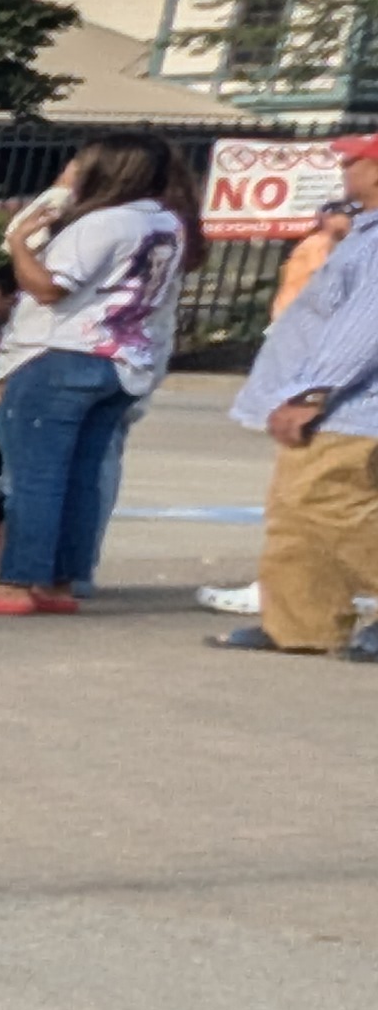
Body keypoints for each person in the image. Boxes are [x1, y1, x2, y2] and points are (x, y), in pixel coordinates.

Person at [0, 136, 190, 615]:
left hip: (62, 356)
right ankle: (59, 583)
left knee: (34, 477)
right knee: (80, 477)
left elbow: (50, 288)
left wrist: (18, 245)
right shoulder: (165, 222)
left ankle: (15, 584)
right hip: (122, 359)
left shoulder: (102, 222)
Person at [213, 196, 378, 661]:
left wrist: (314, 391)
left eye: (357, 159)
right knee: (294, 512)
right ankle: (301, 622)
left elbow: (365, 326)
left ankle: (304, 620)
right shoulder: (363, 232)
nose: (345, 166)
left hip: (353, 403)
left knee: (329, 504)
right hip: (333, 401)